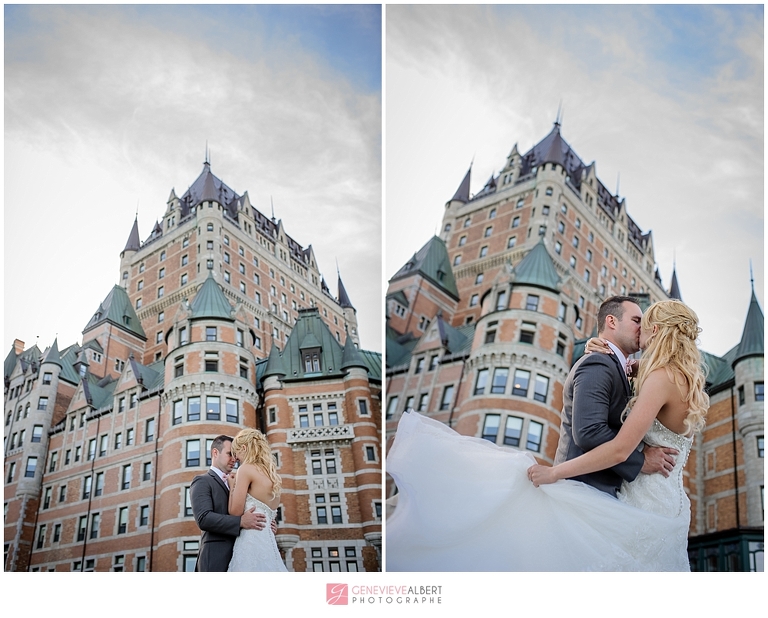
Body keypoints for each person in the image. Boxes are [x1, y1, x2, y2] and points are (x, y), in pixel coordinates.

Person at [385, 299, 708, 571]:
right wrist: (606, 355)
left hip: (639, 495)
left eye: (644, 322)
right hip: (666, 498)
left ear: (656, 330)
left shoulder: (658, 378)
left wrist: (553, 473)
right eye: (635, 320)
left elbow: (618, 448)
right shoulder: (679, 377)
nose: (640, 329)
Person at [553, 296, 677, 495]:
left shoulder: (624, 368)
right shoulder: (598, 362)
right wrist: (641, 460)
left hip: (603, 494)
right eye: (636, 321)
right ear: (611, 321)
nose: (642, 328)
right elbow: (589, 432)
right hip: (581, 491)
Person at [190, 434, 273, 572]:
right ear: (215, 453)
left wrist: (265, 524)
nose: (234, 459)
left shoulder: (242, 480)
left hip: (246, 556)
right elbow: (204, 518)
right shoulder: (202, 481)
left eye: (235, 454)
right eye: (230, 454)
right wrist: (240, 521)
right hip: (216, 559)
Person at [226, 428, 287, 572]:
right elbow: (271, 518)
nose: (236, 460)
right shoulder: (273, 476)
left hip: (251, 542)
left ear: (244, 448)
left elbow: (235, 512)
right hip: (269, 544)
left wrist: (232, 486)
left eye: (237, 454)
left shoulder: (246, 469)